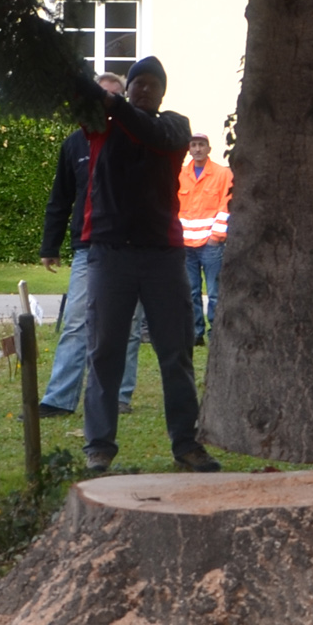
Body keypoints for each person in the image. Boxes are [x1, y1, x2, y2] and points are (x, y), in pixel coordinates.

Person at [75, 56, 218, 475]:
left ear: (162, 93)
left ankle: (187, 444)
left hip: (163, 255)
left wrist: (115, 103)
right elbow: (78, 99)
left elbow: (151, 133)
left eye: (153, 84)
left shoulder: (174, 126)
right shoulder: (102, 125)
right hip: (109, 252)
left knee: (176, 352)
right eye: (138, 83)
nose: (144, 90)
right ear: (129, 87)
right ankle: (99, 447)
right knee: (105, 352)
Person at [37, 73, 138, 418]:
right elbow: (60, 198)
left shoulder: (136, 138)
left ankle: (120, 396)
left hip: (131, 245)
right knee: (76, 322)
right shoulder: (74, 144)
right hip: (88, 246)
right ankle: (58, 399)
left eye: (114, 96)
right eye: (101, 95)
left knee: (128, 326)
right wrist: (50, 246)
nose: (107, 102)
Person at [177, 132, 232, 341]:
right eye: (193, 145)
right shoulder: (180, 174)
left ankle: (216, 334)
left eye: (201, 145)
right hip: (185, 244)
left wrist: (216, 237)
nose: (197, 149)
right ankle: (195, 333)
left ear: (209, 149)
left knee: (215, 292)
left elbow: (226, 207)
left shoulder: (222, 174)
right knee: (190, 292)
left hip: (211, 244)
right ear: (189, 149)